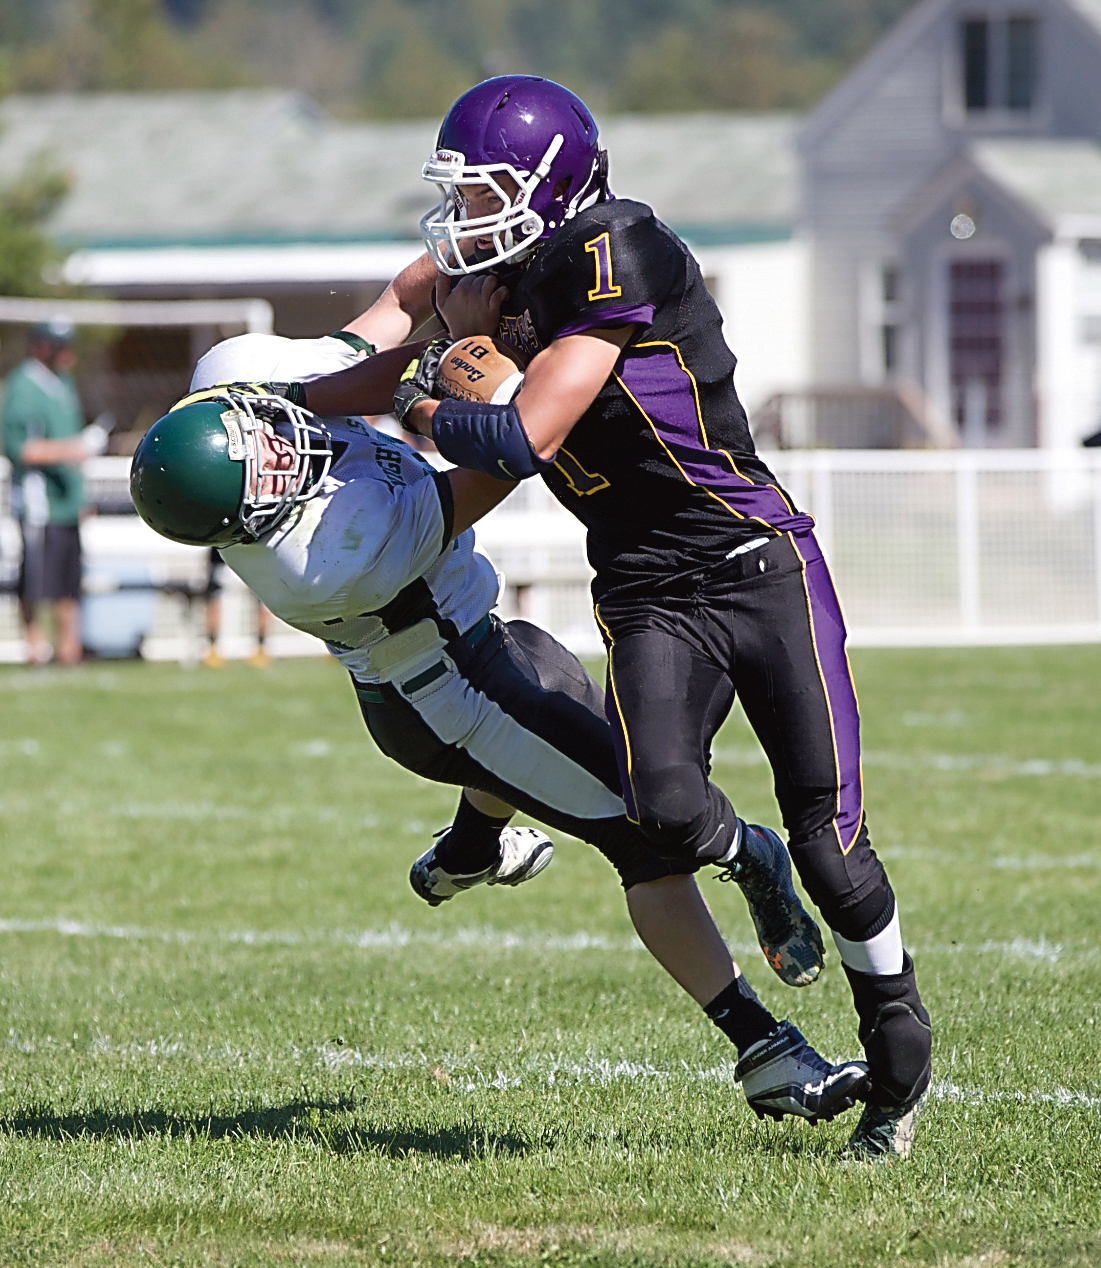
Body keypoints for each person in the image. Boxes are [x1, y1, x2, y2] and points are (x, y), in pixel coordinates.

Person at [286, 75, 933, 1163]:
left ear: (550, 188)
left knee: (830, 842)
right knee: (666, 811)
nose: (464, 216)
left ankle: (898, 1050)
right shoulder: (479, 271)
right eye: (460, 192)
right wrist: (291, 397)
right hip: (643, 585)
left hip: (754, 559)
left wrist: (423, 398)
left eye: (488, 190)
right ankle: (747, 867)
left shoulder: (615, 247)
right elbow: (384, 329)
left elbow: (525, 433)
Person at [130, 335, 872, 1128]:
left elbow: (394, 309)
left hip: (487, 645)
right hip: (453, 701)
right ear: (252, 520)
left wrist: (451, 324)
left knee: (559, 698)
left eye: (264, 436)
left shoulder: (231, 373)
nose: (281, 450)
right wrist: (486, 388)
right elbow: (514, 457)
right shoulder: (324, 559)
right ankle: (762, 1034)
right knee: (649, 837)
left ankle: (467, 850)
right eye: (266, 472)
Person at [1, 320, 108, 665]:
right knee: (36, 582)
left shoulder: (62, 384)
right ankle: (35, 651)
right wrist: (74, 448)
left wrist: (81, 495)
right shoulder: (22, 387)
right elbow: (23, 449)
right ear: (43, 347)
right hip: (38, 505)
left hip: (65, 504)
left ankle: (68, 651)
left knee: (68, 582)